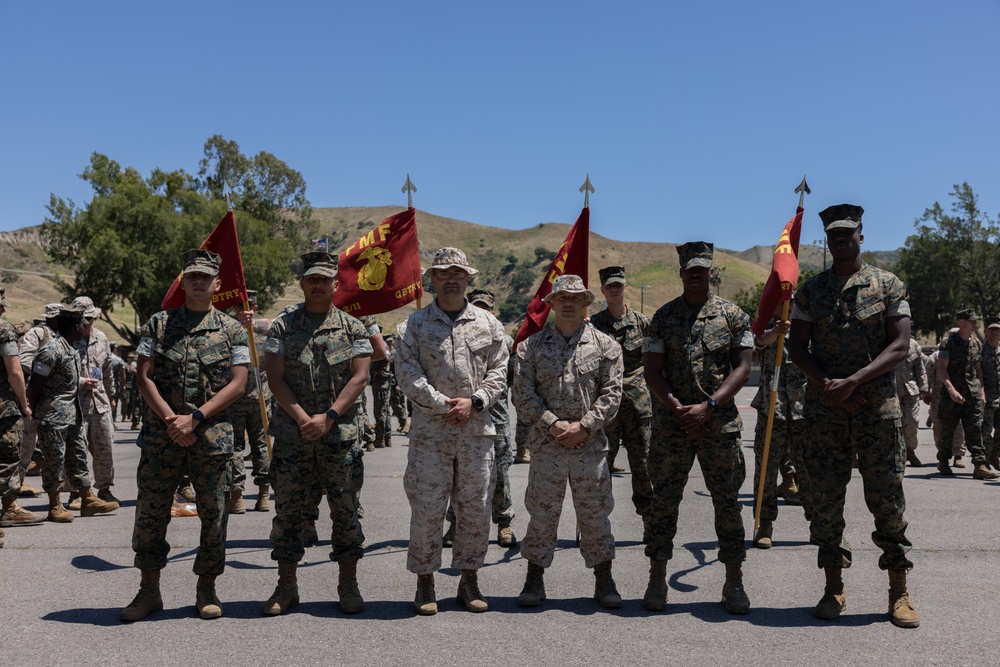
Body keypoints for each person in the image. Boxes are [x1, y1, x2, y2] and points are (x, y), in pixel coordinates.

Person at [788, 203, 919, 628]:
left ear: (861, 236)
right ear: (827, 240)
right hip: (825, 411)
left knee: (887, 499)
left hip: (876, 410)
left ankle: (898, 592)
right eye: (833, 234)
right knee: (825, 501)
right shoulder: (811, 291)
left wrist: (854, 381)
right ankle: (833, 587)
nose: (840, 239)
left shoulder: (887, 284)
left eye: (848, 232)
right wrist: (830, 385)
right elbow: (797, 348)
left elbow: (899, 346)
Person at [120, 249, 249, 622]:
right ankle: (148, 590)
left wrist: (194, 418)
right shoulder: (159, 325)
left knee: (214, 515)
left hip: (211, 439)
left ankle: (206, 588)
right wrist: (170, 420)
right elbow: (144, 377)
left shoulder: (232, 329)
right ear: (182, 280)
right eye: (191, 275)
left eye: (205, 277)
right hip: (164, 438)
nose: (198, 282)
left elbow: (238, 384)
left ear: (217, 284)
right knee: (150, 514)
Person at [257, 251, 373, 616]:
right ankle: (286, 586)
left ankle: (348, 583)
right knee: (289, 512)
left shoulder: (353, 327)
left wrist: (328, 417)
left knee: (345, 510)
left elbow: (360, 376)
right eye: (312, 279)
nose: (318, 284)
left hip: (339, 436)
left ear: (335, 284)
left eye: (325, 279)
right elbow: (274, 378)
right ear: (303, 283)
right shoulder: (282, 326)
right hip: (293, 437)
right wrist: (304, 418)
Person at [642, 241, 753, 614]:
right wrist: (678, 409)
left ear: (711, 272)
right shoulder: (663, 316)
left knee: (727, 504)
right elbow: (652, 371)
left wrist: (708, 407)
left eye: (701, 268)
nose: (695, 273)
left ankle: (733, 581)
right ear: (681, 272)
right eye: (689, 268)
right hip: (672, 426)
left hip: (718, 425)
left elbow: (742, 367)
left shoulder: (733, 315)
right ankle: (657, 578)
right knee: (663, 503)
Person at [396, 247, 508, 615]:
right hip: (431, 434)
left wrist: (474, 401)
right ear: (432, 279)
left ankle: (469, 579)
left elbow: (499, 371)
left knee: (475, 509)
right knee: (427, 509)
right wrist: (445, 404)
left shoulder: (489, 324)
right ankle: (425, 581)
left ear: (468, 278)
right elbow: (408, 375)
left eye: (458, 273)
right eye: (443, 273)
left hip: (477, 433)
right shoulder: (413, 326)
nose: (451, 279)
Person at [513, 275, 624, 608]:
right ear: (551, 303)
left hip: (589, 449)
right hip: (547, 448)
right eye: (561, 297)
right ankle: (534, 580)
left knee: (595, 516)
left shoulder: (607, 346)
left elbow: (612, 394)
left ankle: (604, 580)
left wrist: (584, 427)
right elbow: (523, 395)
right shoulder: (528, 348)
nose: (568, 302)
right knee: (542, 516)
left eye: (575, 297)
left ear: (586, 302)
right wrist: (554, 424)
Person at [26, 306, 120, 523]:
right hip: (53, 418)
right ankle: (55, 505)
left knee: (78, 457)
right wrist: (30, 411)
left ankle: (88, 499)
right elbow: (35, 385)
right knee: (54, 461)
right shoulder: (51, 351)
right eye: (81, 323)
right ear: (74, 326)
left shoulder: (70, 349)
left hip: (72, 415)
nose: (85, 326)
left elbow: (66, 382)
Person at [443, 289, 517, 549]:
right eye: (477, 306)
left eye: (487, 306)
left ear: (493, 310)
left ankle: (504, 521)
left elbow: (512, 379)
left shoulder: (505, 341)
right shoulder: (456, 336)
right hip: (464, 419)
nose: (482, 310)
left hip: (496, 419)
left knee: (500, 474)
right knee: (459, 473)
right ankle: (455, 522)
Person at [590, 265, 654, 542]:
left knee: (644, 466)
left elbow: (655, 361)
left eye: (619, 285)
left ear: (625, 287)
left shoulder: (642, 323)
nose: (614, 289)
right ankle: (595, 526)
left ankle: (650, 524)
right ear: (603, 290)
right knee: (599, 470)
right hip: (605, 409)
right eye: (609, 286)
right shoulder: (592, 325)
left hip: (638, 407)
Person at [750, 304, 812, 549]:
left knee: (810, 471)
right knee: (765, 472)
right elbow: (758, 343)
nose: (786, 305)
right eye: (779, 300)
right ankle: (764, 525)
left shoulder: (807, 331)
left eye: (790, 300)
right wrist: (775, 332)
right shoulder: (764, 329)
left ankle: (818, 524)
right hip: (771, 410)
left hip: (802, 411)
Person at [935, 309, 1000, 480]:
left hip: (972, 395)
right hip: (952, 396)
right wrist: (951, 390)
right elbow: (942, 369)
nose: (975, 323)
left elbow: (978, 370)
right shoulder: (948, 342)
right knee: (947, 430)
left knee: (975, 430)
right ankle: (943, 460)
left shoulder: (976, 343)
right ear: (961, 322)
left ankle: (979, 466)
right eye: (971, 321)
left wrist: (982, 391)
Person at [1, 286, 44, 535]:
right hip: (3, 408)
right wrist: (24, 403)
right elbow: (15, 371)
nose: (4, 308)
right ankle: (8, 510)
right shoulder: (3, 328)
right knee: (7, 461)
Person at [70, 296, 119, 504]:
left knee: (104, 448)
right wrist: (81, 382)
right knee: (76, 451)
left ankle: (104, 488)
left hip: (100, 404)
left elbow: (107, 370)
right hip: (76, 406)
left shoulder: (102, 338)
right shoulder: (67, 339)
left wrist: (111, 395)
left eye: (89, 318)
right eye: (82, 318)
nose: (86, 322)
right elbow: (61, 374)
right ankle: (77, 491)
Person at [227, 290, 271, 514]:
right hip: (247, 398)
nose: (245, 311)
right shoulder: (263, 330)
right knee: (257, 445)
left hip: (252, 398)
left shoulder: (229, 331)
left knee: (241, 446)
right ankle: (243, 495)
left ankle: (257, 494)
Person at [16, 303, 61, 496]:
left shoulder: (62, 336)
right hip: (35, 394)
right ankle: (17, 483)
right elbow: (24, 358)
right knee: (26, 443)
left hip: (54, 399)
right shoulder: (38, 333)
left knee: (55, 445)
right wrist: (44, 375)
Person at [894, 336, 930, 467]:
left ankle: (910, 450)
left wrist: (923, 387)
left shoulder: (913, 344)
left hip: (911, 390)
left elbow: (920, 368)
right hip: (892, 390)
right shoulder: (886, 343)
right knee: (895, 423)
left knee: (912, 420)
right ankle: (898, 453)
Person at [981, 316, 1000, 470]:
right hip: (987, 399)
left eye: (997, 329)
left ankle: (994, 455)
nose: (994, 332)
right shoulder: (980, 352)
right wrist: (981, 394)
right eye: (991, 329)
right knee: (986, 433)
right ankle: (985, 462)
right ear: (985, 331)